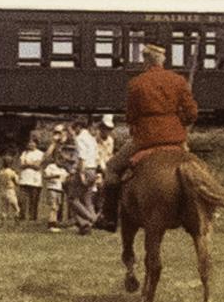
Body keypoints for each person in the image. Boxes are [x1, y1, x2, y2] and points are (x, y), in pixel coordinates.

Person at [94, 42, 199, 232]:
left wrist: (139, 128)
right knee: (196, 167)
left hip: (146, 139)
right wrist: (177, 122)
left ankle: (108, 217)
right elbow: (192, 113)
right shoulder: (178, 80)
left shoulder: (136, 83)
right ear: (162, 60)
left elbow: (131, 116)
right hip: (176, 139)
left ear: (146, 61)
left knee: (112, 168)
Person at [67, 119, 100, 234]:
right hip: (93, 169)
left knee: (72, 198)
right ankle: (86, 225)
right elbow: (96, 156)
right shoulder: (92, 139)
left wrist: (80, 173)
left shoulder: (80, 138)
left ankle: (93, 219)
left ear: (78, 127)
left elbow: (82, 156)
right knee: (87, 199)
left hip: (84, 169)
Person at [17, 137, 44, 221]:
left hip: (35, 181)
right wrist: (31, 164)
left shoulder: (40, 153)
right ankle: (22, 216)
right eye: (29, 143)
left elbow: (37, 166)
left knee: (34, 200)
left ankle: (33, 217)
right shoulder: (24, 153)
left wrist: (28, 164)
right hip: (24, 179)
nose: (30, 144)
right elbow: (21, 165)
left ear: (36, 144)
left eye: (33, 143)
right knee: (22, 199)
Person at [42, 159, 67, 232]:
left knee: (57, 207)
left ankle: (54, 222)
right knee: (53, 207)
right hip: (52, 188)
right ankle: (51, 224)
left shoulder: (63, 170)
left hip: (60, 190)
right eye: (60, 160)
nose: (62, 162)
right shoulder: (51, 167)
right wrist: (53, 176)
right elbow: (45, 176)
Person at [0, 155, 21, 221]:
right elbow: (17, 182)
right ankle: (16, 220)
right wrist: (17, 175)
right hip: (10, 190)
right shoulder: (12, 172)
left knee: (4, 208)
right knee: (16, 208)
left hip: (3, 190)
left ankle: (3, 221)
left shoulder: (0, 172)